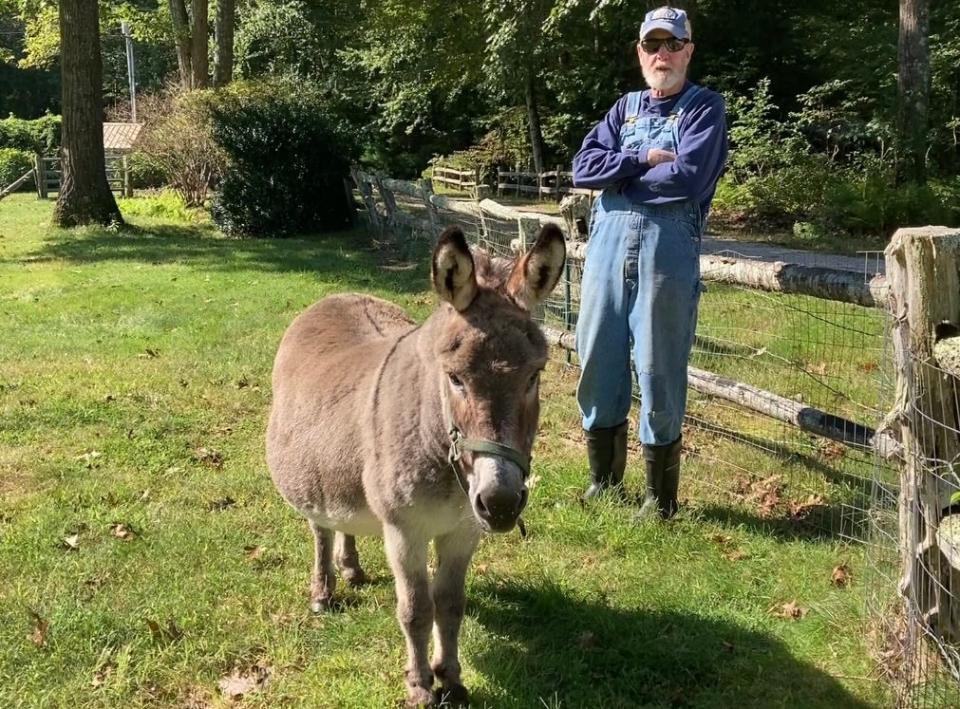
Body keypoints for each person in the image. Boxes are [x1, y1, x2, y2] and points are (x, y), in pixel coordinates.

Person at [572, 6, 728, 518]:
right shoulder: (624, 109)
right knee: (596, 358)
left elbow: (685, 178)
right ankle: (604, 481)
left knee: (659, 366)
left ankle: (659, 499)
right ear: (641, 52)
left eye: (672, 45)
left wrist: (618, 179)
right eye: (652, 46)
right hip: (606, 253)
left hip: (668, 252)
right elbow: (583, 167)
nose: (662, 55)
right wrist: (639, 160)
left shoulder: (705, 107)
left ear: (688, 50)